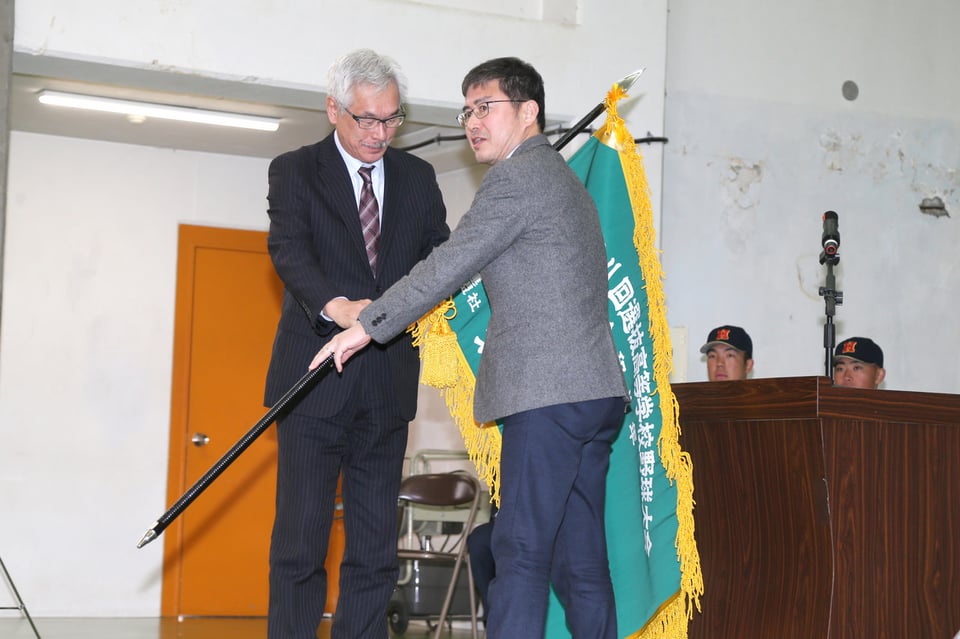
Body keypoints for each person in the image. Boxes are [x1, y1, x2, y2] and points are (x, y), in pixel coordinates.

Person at [312, 57, 629, 639]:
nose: (472, 122)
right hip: (594, 395)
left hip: (548, 397)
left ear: (529, 112)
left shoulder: (517, 177)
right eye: (466, 111)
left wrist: (366, 326)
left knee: (519, 554)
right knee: (580, 563)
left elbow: (448, 266)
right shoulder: (562, 179)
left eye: (486, 107)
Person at [263, 48, 450, 639]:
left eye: (391, 119)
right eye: (366, 119)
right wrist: (339, 307)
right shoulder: (295, 170)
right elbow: (288, 251)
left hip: (387, 384)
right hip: (313, 381)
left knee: (374, 550)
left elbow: (439, 262)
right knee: (300, 545)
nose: (379, 133)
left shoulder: (418, 178)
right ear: (333, 110)